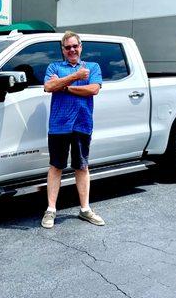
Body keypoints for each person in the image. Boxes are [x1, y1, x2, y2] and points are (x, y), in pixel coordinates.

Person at [41, 31, 105, 229]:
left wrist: (64, 86)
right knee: (56, 166)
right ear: (63, 50)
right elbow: (48, 86)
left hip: (82, 124)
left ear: (81, 47)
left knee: (82, 166)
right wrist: (76, 77)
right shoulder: (54, 66)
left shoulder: (92, 67)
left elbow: (93, 89)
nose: (72, 50)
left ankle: (85, 209)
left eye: (74, 46)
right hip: (59, 125)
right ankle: (51, 210)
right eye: (67, 47)